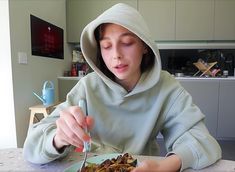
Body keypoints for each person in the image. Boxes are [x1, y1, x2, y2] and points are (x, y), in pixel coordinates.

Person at [23, 3, 221, 171]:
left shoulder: (166, 88)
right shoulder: (87, 86)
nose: (116, 55)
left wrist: (164, 166)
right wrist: (59, 137)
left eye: (127, 42)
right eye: (106, 46)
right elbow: (31, 147)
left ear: (144, 46)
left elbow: (204, 143)